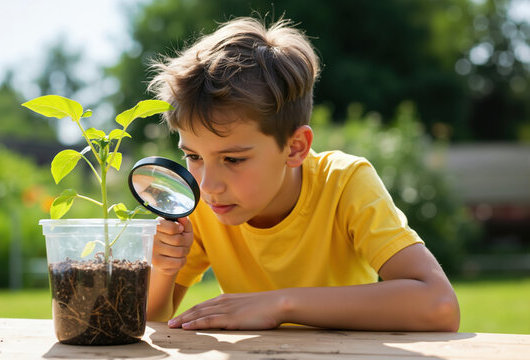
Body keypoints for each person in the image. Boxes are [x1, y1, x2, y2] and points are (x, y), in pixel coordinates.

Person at [145, 17, 460, 332]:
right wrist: (164, 269)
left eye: (233, 159)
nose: (208, 185)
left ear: (295, 148)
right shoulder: (203, 205)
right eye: (193, 156)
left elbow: (439, 305)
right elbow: (148, 323)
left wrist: (279, 305)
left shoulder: (344, 183)